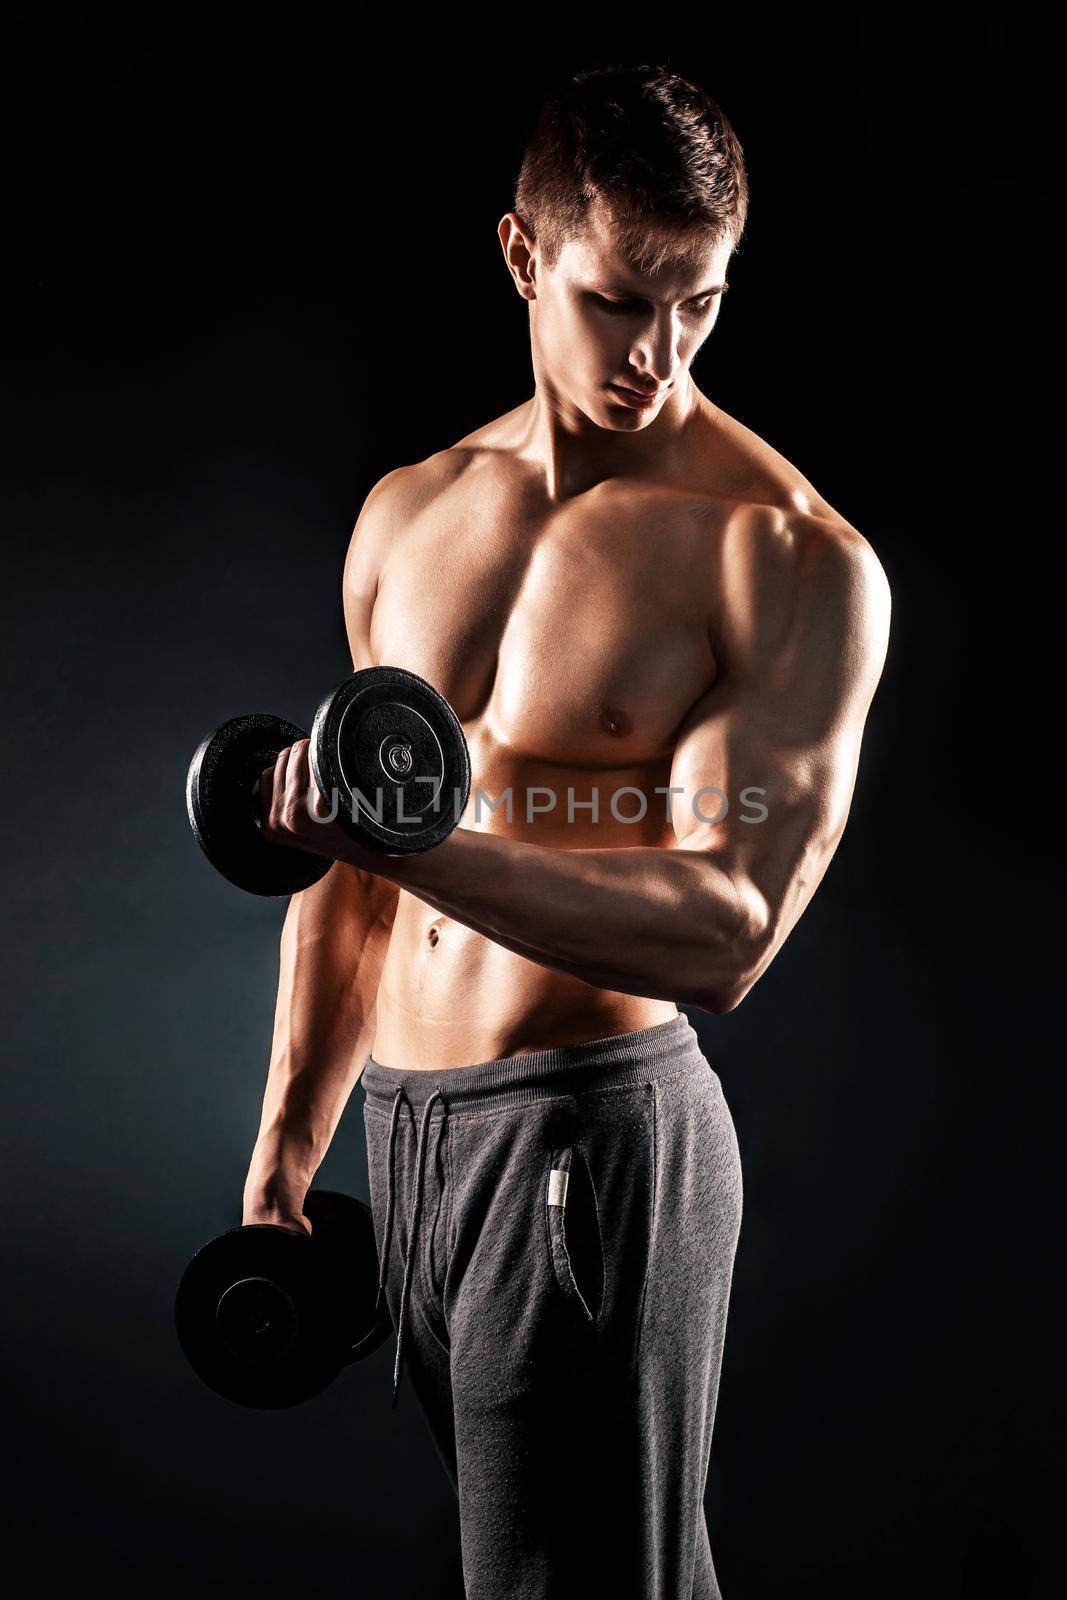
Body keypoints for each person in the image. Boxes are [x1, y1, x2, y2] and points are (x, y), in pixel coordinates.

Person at [241, 62, 891, 1600]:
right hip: (406, 1142)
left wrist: (414, 843)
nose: (659, 353)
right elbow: (349, 878)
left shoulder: (781, 555)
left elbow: (727, 928)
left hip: (590, 1137)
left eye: (703, 305)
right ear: (526, 258)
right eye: (619, 300)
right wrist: (287, 1142)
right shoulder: (410, 511)